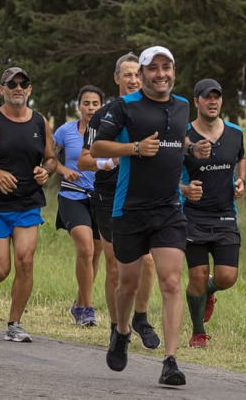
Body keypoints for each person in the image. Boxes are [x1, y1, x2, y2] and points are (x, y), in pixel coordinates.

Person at [91, 46, 189, 386]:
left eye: (167, 67)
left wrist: (193, 150)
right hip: (129, 209)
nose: (160, 74)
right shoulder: (123, 107)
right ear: (143, 73)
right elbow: (97, 149)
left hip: (169, 209)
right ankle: (121, 331)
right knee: (127, 283)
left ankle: (171, 360)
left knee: (172, 281)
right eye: (153, 68)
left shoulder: (182, 106)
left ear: (174, 71)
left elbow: (177, 142)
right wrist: (134, 148)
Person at [0, 67, 57, 343]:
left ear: (29, 89)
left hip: (28, 202)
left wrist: (46, 171)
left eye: (23, 83)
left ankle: (14, 324)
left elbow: (51, 158)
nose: (18, 87)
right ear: (1, 89)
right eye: (12, 83)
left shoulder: (40, 122)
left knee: (25, 262)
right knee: (2, 268)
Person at [77, 53, 162, 349]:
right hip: (109, 196)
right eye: (127, 75)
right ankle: (117, 327)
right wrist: (110, 162)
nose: (133, 80)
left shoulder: (154, 111)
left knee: (148, 262)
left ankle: (141, 317)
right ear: (117, 79)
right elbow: (84, 160)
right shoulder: (104, 114)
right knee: (115, 265)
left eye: (137, 74)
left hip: (144, 194)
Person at [180, 79, 246, 348]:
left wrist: (241, 181)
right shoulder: (182, 135)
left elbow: (240, 158)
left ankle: (208, 292)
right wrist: (183, 190)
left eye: (217, 97)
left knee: (226, 277)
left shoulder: (234, 132)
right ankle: (198, 332)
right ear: (196, 102)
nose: (212, 102)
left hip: (225, 215)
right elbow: (166, 170)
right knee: (196, 275)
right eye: (207, 97)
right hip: (192, 216)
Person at [54, 85, 105, 327]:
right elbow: (49, 157)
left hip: (101, 198)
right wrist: (64, 170)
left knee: (95, 255)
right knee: (85, 249)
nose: (91, 108)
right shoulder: (65, 131)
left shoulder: (108, 133)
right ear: (79, 106)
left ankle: (77, 304)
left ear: (102, 107)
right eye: (87, 103)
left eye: (95, 103)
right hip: (72, 195)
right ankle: (87, 308)